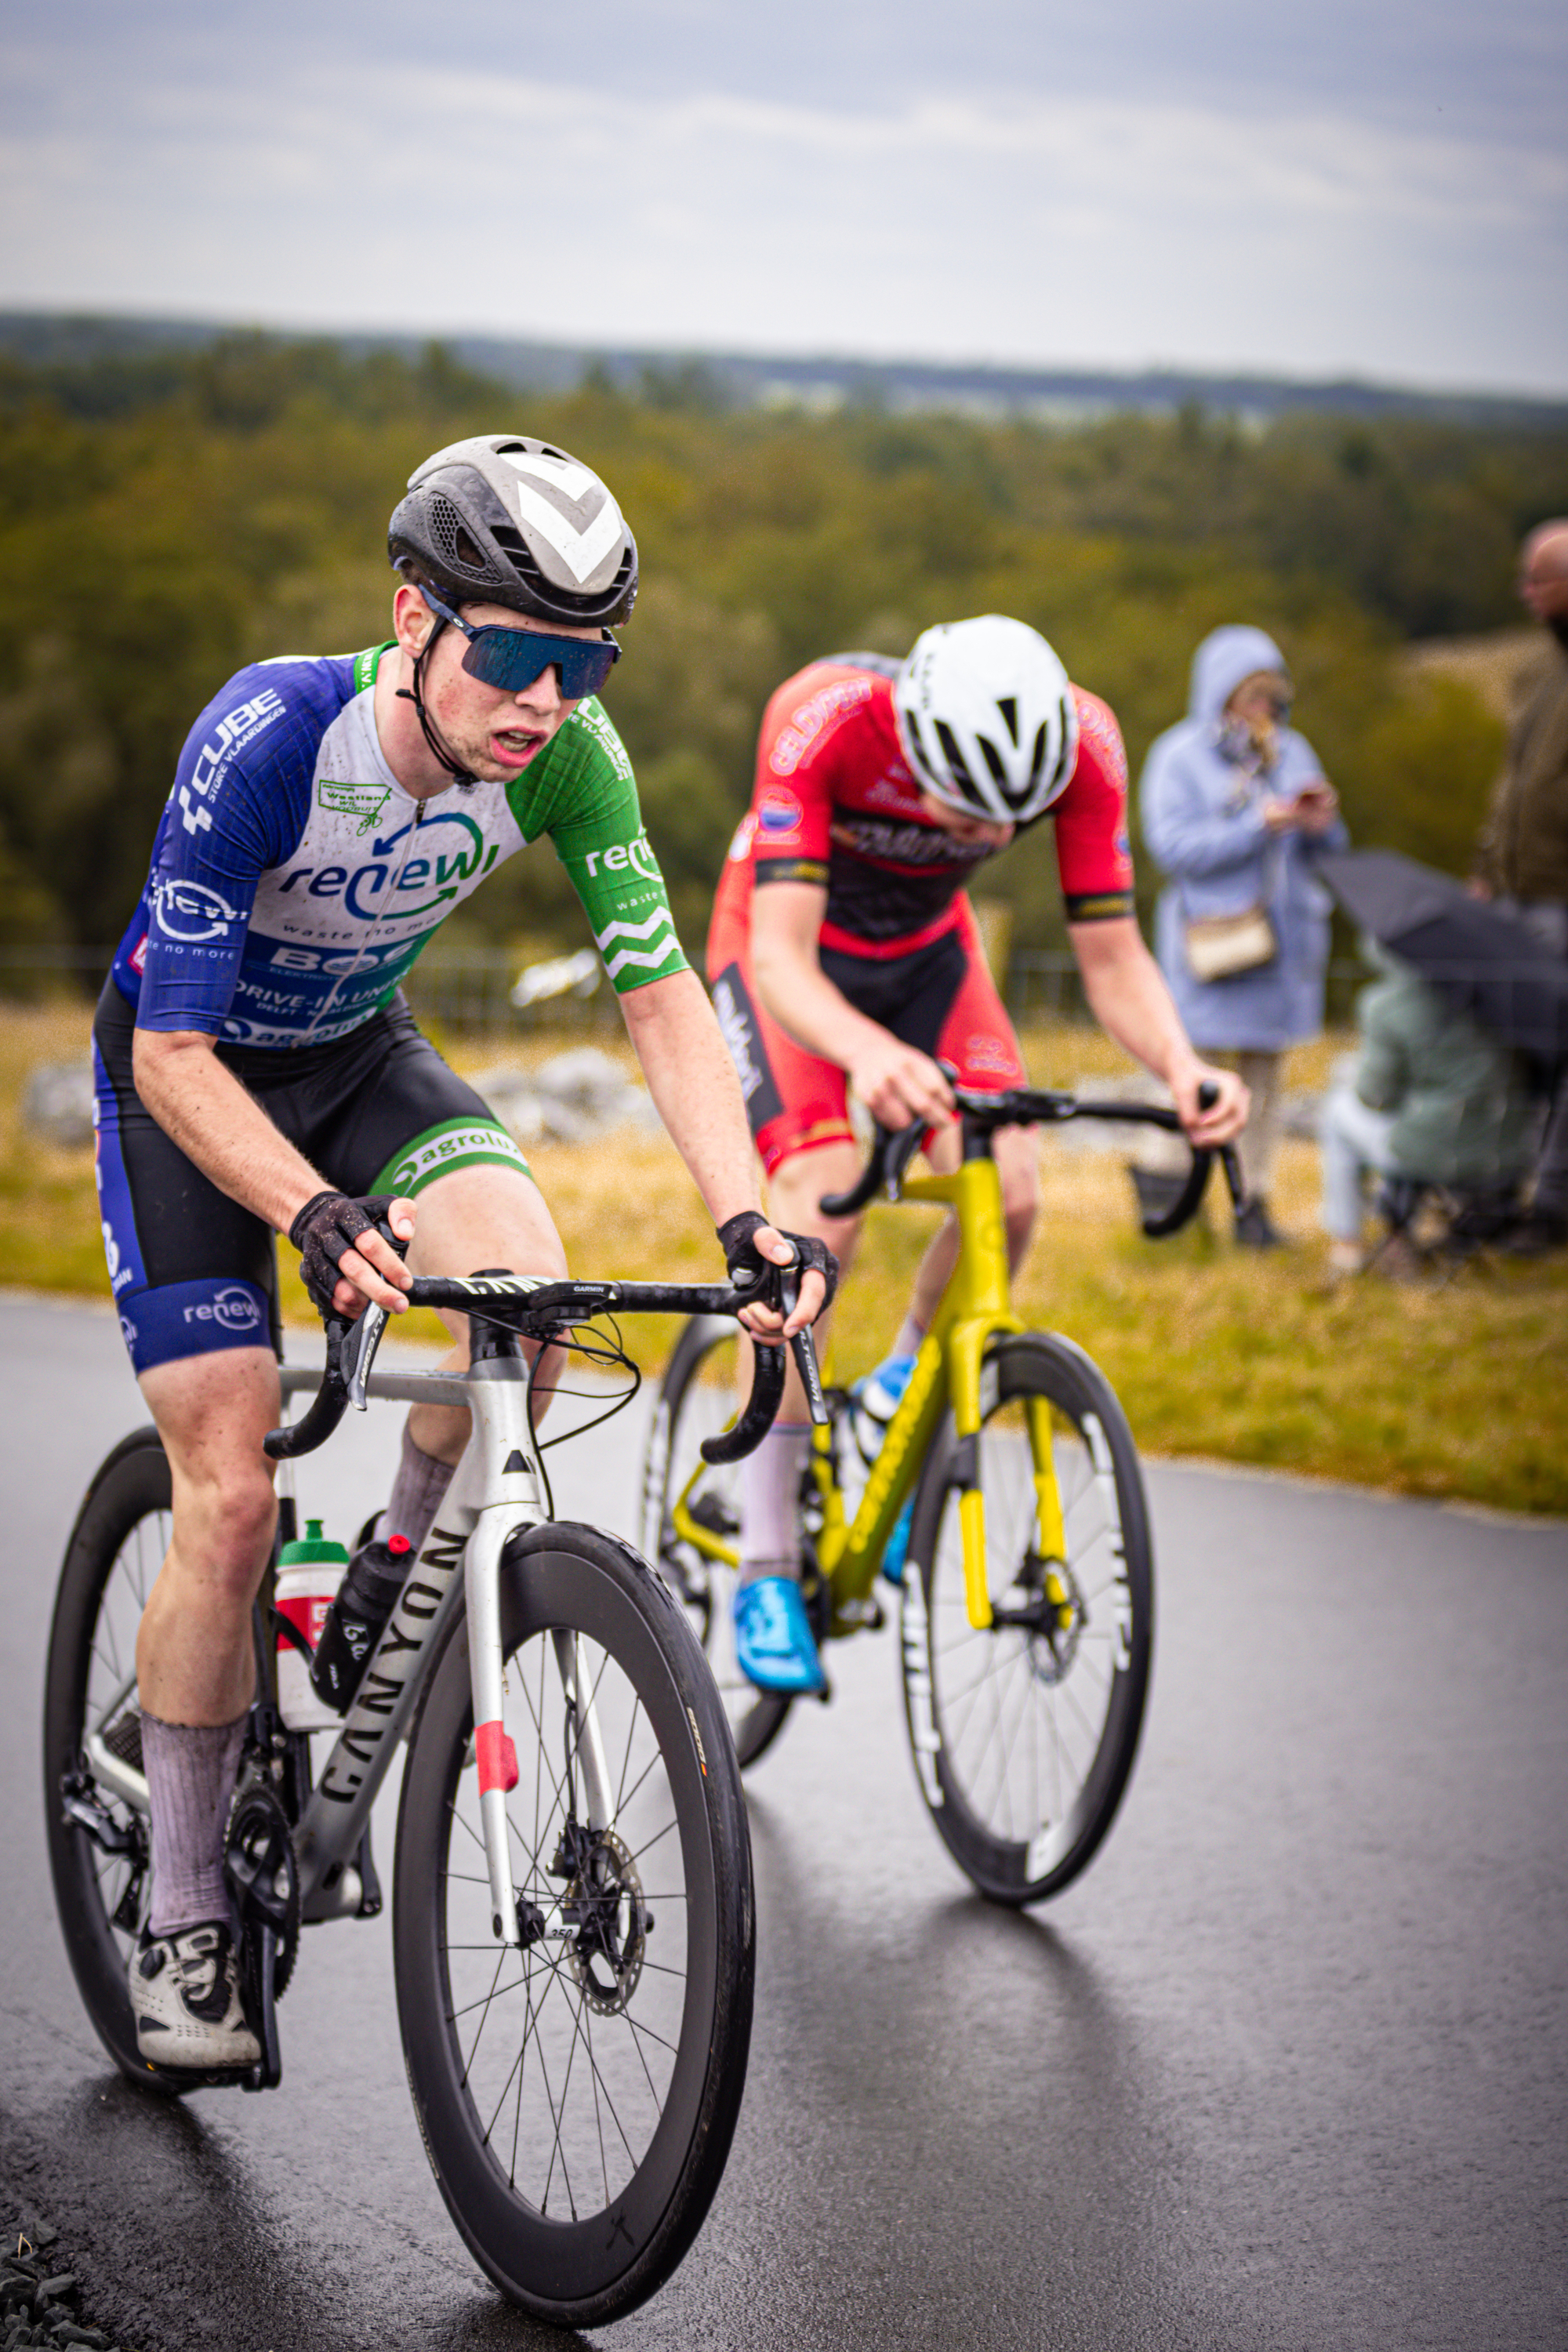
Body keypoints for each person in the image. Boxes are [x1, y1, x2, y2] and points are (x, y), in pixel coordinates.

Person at [93, 434, 829, 2068]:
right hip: (192, 1076)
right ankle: (191, 1915)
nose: (546, 700)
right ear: (414, 616)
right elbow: (172, 1057)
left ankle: (383, 1586)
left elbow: (660, 1001)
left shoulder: (571, 759)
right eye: (514, 654)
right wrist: (310, 1212)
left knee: (531, 1298)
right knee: (228, 1489)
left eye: (585, 664)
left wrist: (749, 1212)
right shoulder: (275, 731)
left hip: (356, 1051)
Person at [706, 615, 1248, 1695]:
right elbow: (777, 957)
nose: (981, 829)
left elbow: (1111, 950)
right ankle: (764, 1561)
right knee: (819, 1219)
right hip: (791, 964)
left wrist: (1184, 1067)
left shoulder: (1086, 743)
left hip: (929, 962)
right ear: (914, 738)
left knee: (1016, 1191)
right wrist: (864, 1057)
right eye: (962, 806)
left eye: (1005, 819)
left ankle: (900, 1388)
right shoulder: (823, 719)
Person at [1140, 625, 1348, 1248]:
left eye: (1273, 697)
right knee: (1190, 1071)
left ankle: (1251, 1205)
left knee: (1263, 1079)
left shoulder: (1293, 751)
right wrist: (1260, 823)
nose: (1265, 710)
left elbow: (1330, 848)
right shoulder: (1179, 757)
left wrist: (1318, 820)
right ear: (1219, 694)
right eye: (1251, 696)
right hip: (1213, 947)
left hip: (1281, 949)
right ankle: (1170, 1204)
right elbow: (1173, 849)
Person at [1468, 519, 1568, 1254]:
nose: (1527, 595)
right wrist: (1485, 864)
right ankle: (1499, 1192)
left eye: (1538, 580)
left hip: (1563, 896)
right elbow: (1511, 786)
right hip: (1515, 894)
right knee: (1511, 1045)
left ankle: (1555, 1205)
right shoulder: (1538, 674)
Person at [1319, 942, 1535, 1275]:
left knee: (1337, 1111)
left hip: (1429, 1152)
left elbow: (1375, 1097)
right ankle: (1400, 1227)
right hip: (1507, 1150)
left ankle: (1349, 1242)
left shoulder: (1389, 1003)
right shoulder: (1507, 995)